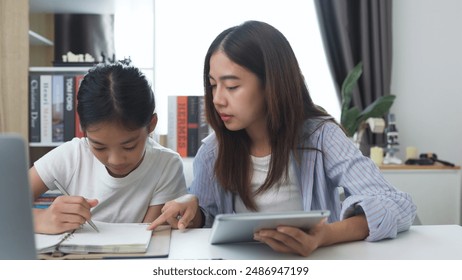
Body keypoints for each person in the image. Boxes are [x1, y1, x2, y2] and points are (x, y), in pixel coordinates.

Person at [149, 20, 417, 256]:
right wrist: (191, 209)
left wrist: (327, 235)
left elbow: (397, 203)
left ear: (272, 84)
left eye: (231, 86)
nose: (217, 99)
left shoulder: (321, 137)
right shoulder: (214, 150)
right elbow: (207, 220)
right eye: (212, 84)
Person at [30, 62, 187, 234]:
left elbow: (147, 236)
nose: (115, 160)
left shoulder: (166, 165)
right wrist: (40, 219)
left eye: (129, 146)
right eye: (99, 147)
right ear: (83, 129)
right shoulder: (72, 156)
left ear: (151, 125)